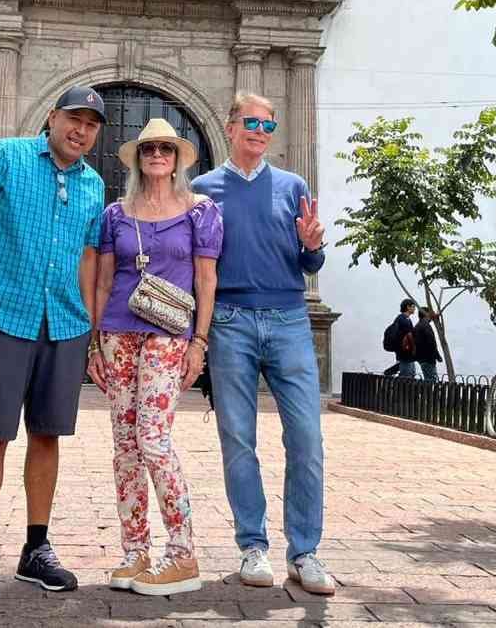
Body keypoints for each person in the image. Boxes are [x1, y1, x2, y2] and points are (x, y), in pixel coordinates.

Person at [0, 85, 107, 602]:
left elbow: (89, 258)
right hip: (6, 318)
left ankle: (35, 550)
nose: (80, 130)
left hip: (64, 324)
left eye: (91, 124)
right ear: (52, 116)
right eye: (74, 118)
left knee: (48, 436)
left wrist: (88, 322)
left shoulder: (94, 186)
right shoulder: (7, 155)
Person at [191, 91, 335, 597]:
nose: (260, 131)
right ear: (230, 127)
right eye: (251, 122)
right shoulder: (202, 190)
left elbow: (310, 263)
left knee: (307, 439)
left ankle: (305, 551)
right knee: (238, 440)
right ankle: (253, 545)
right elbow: (196, 266)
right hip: (229, 321)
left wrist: (313, 246)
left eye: (269, 125)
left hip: (290, 317)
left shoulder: (293, 186)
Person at [87, 118, 222, 597]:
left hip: (168, 336)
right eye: (149, 149)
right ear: (138, 158)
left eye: (166, 148)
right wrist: (94, 342)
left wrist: (199, 343)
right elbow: (104, 280)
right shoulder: (115, 214)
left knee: (153, 440)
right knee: (124, 447)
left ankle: (182, 553)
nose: (157, 156)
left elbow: (206, 281)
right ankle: (135, 550)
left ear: (179, 157)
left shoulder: (200, 212)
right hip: (118, 333)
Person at [385, 298, 417, 377]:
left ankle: (392, 372)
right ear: (408, 307)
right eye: (413, 306)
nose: (414, 308)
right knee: (407, 376)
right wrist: (414, 348)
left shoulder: (405, 319)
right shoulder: (403, 319)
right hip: (404, 353)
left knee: (411, 373)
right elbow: (409, 336)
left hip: (405, 353)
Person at [413, 308, 442, 382]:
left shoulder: (417, 326)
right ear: (425, 314)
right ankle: (427, 393)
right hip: (428, 358)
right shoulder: (425, 326)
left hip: (421, 358)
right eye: (429, 314)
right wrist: (437, 356)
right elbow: (431, 342)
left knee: (428, 379)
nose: (430, 316)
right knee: (431, 380)